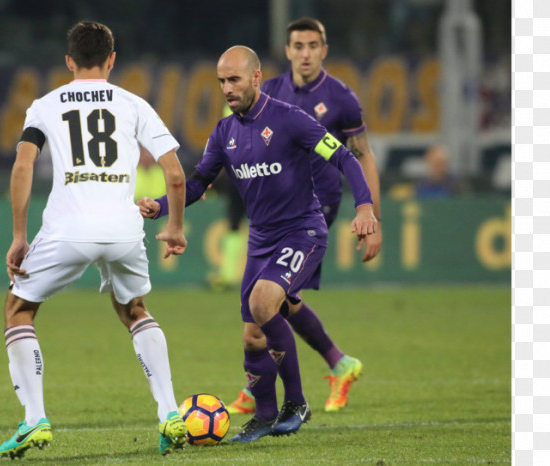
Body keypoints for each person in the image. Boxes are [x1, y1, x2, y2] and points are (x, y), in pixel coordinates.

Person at [138, 46, 378, 442]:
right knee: (252, 336)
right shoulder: (224, 132)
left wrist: (365, 207)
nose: (226, 88)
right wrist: (161, 206)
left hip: (303, 231)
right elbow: (198, 183)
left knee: (264, 302)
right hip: (262, 239)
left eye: (234, 79)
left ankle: (296, 403)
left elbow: (345, 159)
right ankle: (265, 416)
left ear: (255, 77)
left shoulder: (290, 120)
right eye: (221, 82)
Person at [0, 21, 189, 458]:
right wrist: (175, 227)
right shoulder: (133, 104)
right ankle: (169, 413)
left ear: (69, 62)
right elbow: (175, 174)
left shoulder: (45, 105)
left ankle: (34, 420)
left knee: (19, 308)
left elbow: (23, 167)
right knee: (135, 309)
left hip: (69, 227)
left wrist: (19, 235)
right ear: (112, 60)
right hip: (123, 229)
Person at [224, 17, 384, 417]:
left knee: (272, 298)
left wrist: (372, 216)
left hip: (315, 207)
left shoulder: (342, 98)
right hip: (274, 207)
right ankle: (335, 364)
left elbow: (361, 155)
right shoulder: (270, 91)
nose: (306, 53)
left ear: (324, 50)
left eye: (314, 45)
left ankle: (267, 386)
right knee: (278, 300)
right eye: (298, 46)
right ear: (288, 51)